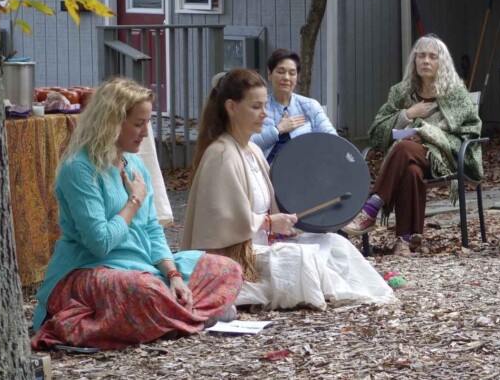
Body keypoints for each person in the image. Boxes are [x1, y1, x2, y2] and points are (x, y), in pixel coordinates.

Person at [31, 78, 243, 351]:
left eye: (148, 123)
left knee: (226, 268)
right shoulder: (79, 169)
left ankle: (168, 317)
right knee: (143, 290)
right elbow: (99, 243)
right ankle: (187, 316)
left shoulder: (135, 167)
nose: (145, 132)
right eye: (138, 123)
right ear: (112, 122)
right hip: (89, 271)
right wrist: (133, 201)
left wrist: (175, 276)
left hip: (144, 269)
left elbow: (152, 230)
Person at [181, 68, 396, 310]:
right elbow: (222, 224)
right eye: (255, 107)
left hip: (261, 245)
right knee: (299, 259)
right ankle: (333, 292)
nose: (264, 114)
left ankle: (358, 293)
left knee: (335, 244)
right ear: (231, 107)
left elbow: (267, 210)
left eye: (264, 106)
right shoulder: (221, 155)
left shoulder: (252, 152)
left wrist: (286, 228)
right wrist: (271, 223)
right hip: (234, 256)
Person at [341, 34, 483, 256]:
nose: (426, 61)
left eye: (432, 57)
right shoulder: (400, 92)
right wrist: (406, 114)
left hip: (443, 157)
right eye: (421, 55)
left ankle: (372, 206)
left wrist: (427, 134)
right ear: (414, 61)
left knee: (403, 148)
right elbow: (376, 131)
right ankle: (405, 241)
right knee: (411, 170)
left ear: (441, 62)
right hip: (408, 159)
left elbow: (472, 129)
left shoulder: (455, 92)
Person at [251, 49, 337, 163]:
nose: (286, 77)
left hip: (305, 171)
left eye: (292, 73)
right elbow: (248, 142)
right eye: (281, 72)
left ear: (296, 78)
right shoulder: (258, 107)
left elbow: (331, 140)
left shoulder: (310, 106)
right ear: (270, 74)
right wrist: (278, 130)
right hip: (265, 172)